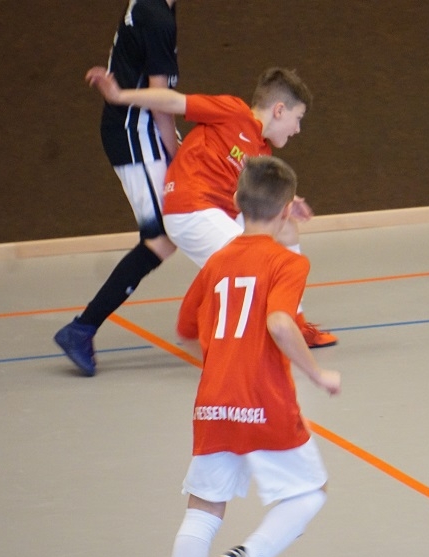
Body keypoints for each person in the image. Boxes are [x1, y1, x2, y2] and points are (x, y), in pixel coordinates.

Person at [81, 65, 338, 357]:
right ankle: (202, 329)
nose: (298, 129)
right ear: (279, 110)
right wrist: (119, 95)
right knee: (253, 264)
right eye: (298, 119)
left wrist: (287, 201)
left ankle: (296, 324)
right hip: (192, 209)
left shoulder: (261, 151)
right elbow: (173, 101)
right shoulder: (234, 112)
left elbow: (250, 198)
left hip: (217, 212)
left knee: (286, 224)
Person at [170, 156, 341, 557]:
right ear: (286, 211)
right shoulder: (288, 263)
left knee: (203, 509)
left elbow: (186, 325)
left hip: (213, 402)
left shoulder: (216, 262)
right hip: (265, 400)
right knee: (309, 493)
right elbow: (281, 323)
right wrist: (317, 374)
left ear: (235, 200)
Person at [54, 0, 182, 377]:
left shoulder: (150, 7)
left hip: (138, 130)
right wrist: (176, 153)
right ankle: (82, 328)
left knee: (169, 236)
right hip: (135, 135)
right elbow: (160, 100)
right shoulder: (158, 16)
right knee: (161, 239)